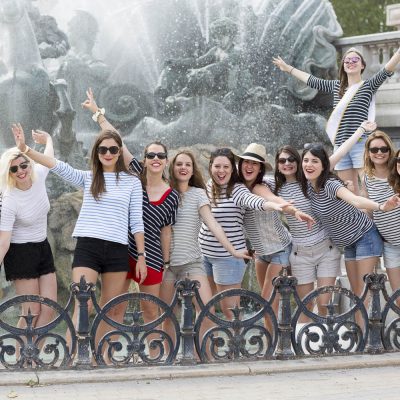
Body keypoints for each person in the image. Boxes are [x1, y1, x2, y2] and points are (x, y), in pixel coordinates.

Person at [12, 123, 145, 351]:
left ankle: (100, 356)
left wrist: (141, 255)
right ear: (97, 153)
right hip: (88, 247)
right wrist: (26, 149)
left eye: (113, 149)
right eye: (103, 149)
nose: (108, 154)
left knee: (110, 308)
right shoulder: (89, 177)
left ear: (119, 152)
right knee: (83, 305)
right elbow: (57, 166)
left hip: (117, 249)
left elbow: (136, 221)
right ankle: (73, 355)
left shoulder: (132, 182)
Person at [81, 89, 179, 345]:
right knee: (114, 308)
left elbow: (166, 231)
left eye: (160, 156)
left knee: (150, 310)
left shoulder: (172, 195)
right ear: (144, 160)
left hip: (152, 256)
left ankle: (155, 353)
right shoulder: (134, 174)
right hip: (123, 250)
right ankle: (102, 351)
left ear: (166, 161)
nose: (155, 159)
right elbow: (118, 142)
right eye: (151, 155)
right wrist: (98, 113)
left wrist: (166, 263)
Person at [268, 121, 377, 315]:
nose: (287, 163)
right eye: (282, 161)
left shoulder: (310, 177)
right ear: (276, 164)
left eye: (292, 159)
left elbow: (341, 153)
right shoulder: (273, 185)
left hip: (326, 247)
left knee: (324, 304)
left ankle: (325, 342)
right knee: (306, 306)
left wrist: (361, 129)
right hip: (300, 252)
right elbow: (253, 184)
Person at [273, 46, 400, 194]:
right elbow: (312, 81)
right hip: (340, 146)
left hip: (360, 143)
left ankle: (372, 216)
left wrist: (398, 53)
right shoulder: (336, 87)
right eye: (347, 60)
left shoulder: (368, 85)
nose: (351, 62)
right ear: (343, 65)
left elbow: (386, 70)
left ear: (362, 65)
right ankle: (357, 217)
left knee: (368, 188)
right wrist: (288, 68)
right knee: (349, 189)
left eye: (355, 59)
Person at [301, 143, 400, 299]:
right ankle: (361, 324)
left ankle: (368, 324)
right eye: (306, 160)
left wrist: (381, 207)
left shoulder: (330, 184)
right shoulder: (308, 184)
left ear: (323, 166)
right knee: (356, 295)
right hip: (349, 243)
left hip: (365, 237)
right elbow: (338, 154)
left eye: (314, 161)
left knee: (363, 295)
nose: (309, 164)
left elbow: (356, 200)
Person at [198, 147, 288, 319]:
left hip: (229, 257)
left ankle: (237, 345)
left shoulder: (238, 189)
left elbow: (254, 201)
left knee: (231, 312)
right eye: (217, 166)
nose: (221, 171)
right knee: (206, 309)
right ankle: (211, 346)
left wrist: (273, 205)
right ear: (210, 167)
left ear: (233, 169)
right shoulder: (209, 185)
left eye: (226, 167)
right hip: (204, 255)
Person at [237, 143, 314, 321]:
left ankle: (278, 343)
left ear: (261, 168)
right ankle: (273, 341)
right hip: (261, 254)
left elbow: (272, 199)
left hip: (280, 250)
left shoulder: (263, 185)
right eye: (246, 162)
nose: (249, 166)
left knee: (268, 301)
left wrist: (292, 210)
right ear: (240, 165)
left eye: (254, 164)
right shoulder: (237, 188)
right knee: (269, 303)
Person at [0, 126, 56, 333]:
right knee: (31, 312)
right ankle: (23, 356)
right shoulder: (9, 200)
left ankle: (33, 355)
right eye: (14, 169)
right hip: (20, 252)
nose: (21, 171)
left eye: (23, 165)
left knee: (50, 308)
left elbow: (48, 157)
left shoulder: (39, 174)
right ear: (9, 173)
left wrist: (48, 138)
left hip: (42, 247)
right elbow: (4, 240)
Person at [362, 131, 400, 292]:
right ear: (368, 153)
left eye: (384, 149)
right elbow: (368, 212)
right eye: (374, 150)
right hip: (390, 245)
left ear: (390, 150)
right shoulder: (366, 178)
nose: (379, 153)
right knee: (398, 297)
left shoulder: (398, 171)